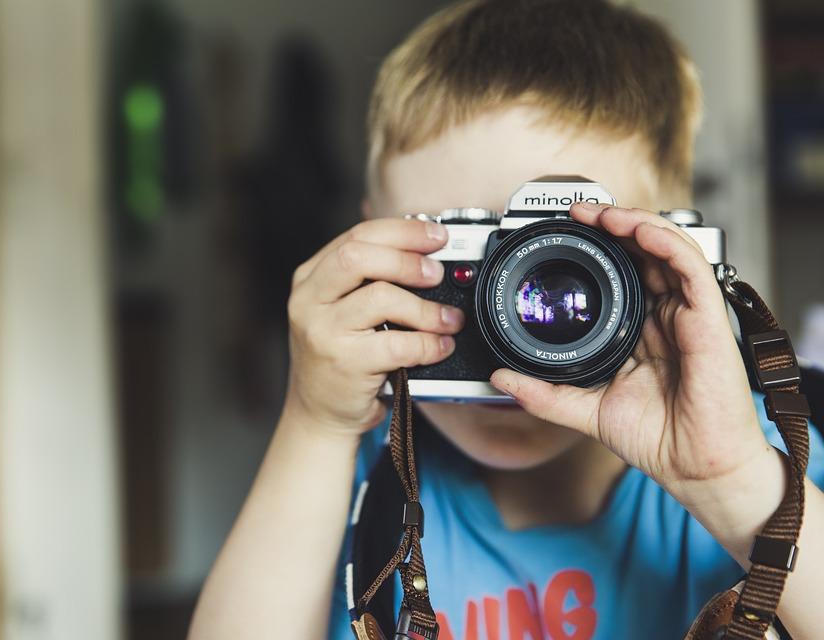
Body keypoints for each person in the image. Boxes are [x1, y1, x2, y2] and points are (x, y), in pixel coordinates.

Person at [188, 1, 824, 638]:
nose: (513, 327)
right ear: (371, 243)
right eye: (465, 250)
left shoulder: (754, 456)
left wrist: (735, 488)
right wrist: (315, 422)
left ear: (671, 252)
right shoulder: (359, 482)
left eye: (569, 256)